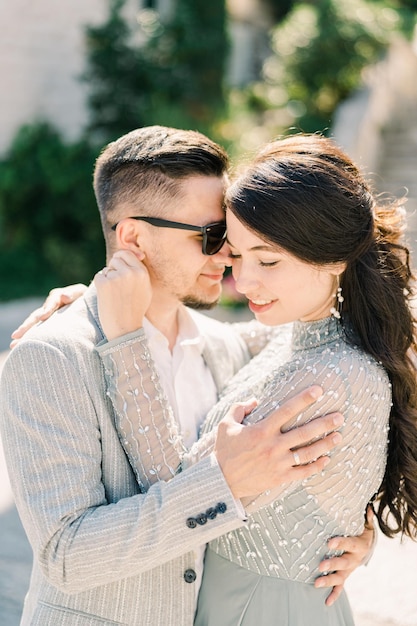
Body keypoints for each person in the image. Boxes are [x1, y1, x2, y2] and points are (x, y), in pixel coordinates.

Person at [0, 126, 369, 626]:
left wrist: (354, 527)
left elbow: (338, 345)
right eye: (212, 236)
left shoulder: (226, 345)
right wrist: (223, 483)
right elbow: (67, 554)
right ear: (133, 237)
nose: (228, 258)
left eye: (232, 238)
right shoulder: (51, 356)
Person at [84, 133, 417, 625]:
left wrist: (123, 339)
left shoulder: (326, 379)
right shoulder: (300, 337)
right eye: (236, 256)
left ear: (331, 258)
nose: (245, 281)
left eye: (269, 260)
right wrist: (85, 300)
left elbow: (173, 487)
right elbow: (223, 340)